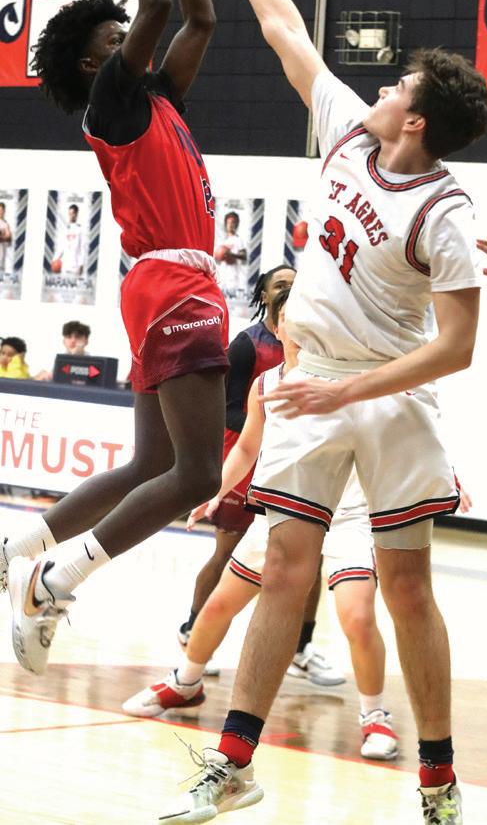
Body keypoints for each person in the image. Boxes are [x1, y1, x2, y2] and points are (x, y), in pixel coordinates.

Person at [157, 0, 487, 824]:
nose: (379, 84)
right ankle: (233, 762)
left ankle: (436, 779)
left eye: (397, 83)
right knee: (284, 564)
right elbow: (286, 34)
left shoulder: (446, 213)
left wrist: (347, 387)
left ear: (413, 120)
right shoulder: (351, 131)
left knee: (407, 587)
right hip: (316, 387)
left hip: (387, 395)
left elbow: (456, 348)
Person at [1, 0, 229, 680]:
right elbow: (159, 3)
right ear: (94, 59)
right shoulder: (112, 100)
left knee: (149, 465)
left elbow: (200, 17)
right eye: (114, 31)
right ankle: (55, 580)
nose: (128, 31)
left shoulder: (156, 98)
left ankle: (18, 549)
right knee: (198, 473)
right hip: (173, 284)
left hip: (166, 284)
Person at [123, 287, 394, 760]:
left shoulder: (351, 377)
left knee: (357, 616)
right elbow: (248, 447)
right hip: (282, 511)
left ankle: (375, 715)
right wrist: (216, 492)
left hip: (347, 515)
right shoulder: (266, 383)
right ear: (278, 325)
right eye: (292, 316)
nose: (302, 324)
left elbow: (393, 433)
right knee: (216, 607)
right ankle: (186, 683)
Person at [178, 264, 340, 686]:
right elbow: (227, 408)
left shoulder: (323, 352)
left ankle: (301, 648)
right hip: (246, 452)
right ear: (265, 296)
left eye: (295, 284)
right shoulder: (247, 345)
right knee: (228, 553)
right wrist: (268, 427)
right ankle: (193, 631)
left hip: (295, 468)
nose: (289, 289)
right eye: (280, 285)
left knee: (310, 559)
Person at [215, 210, 248, 295]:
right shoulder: (222, 240)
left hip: (233, 277)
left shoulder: (238, 240)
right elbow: (217, 258)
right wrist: (218, 256)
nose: (230, 225)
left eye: (232, 222)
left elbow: (244, 256)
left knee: (231, 299)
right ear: (225, 224)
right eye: (228, 222)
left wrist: (231, 255)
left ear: (236, 224)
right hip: (222, 276)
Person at [53, 203, 85, 277]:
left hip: (75, 267)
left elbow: (82, 248)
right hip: (65, 266)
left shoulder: (80, 230)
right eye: (69, 213)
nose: (70, 216)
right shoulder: (65, 230)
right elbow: (61, 247)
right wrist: (55, 260)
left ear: (76, 214)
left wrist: (81, 264)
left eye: (72, 213)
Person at [0, 201, 12, 272]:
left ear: (4, 211)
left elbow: (9, 238)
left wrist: (2, 236)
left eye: (1, 210)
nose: (0, 212)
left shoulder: (6, 224)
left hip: (1, 261)